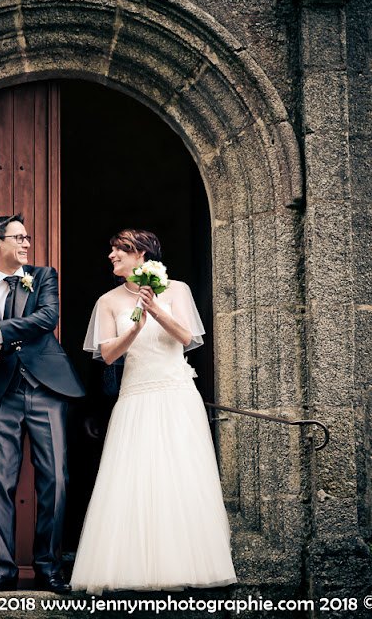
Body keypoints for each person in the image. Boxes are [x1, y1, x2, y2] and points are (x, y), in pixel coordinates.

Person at [70, 229, 237, 594]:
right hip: (136, 394)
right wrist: (135, 328)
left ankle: (182, 565)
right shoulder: (108, 301)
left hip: (176, 393)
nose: (112, 255)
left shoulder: (177, 290)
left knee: (180, 476)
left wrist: (156, 311)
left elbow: (188, 338)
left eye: (120, 249)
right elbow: (108, 354)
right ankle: (132, 568)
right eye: (112, 249)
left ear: (142, 254)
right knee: (133, 477)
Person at [0, 213, 85, 594]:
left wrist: (0, 329)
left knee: (57, 481)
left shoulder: (44, 276)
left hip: (47, 389)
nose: (27, 243)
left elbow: (48, 318)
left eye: (28, 237)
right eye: (19, 237)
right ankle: (4, 569)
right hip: (4, 394)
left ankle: (49, 567)